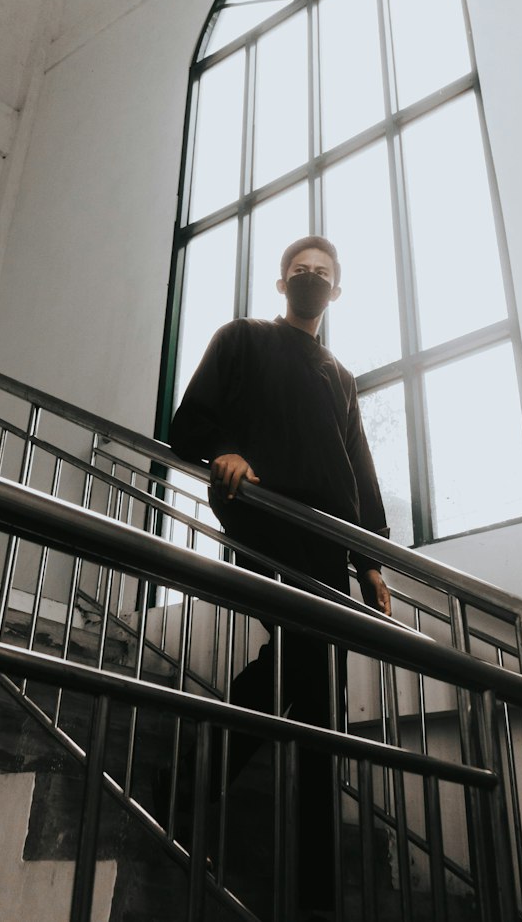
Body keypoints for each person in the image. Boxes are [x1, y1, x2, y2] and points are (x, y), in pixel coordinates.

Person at [168, 235, 391, 921]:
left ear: (337, 290)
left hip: (328, 541)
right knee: (306, 662)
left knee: (319, 686)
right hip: (263, 515)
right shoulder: (242, 338)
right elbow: (193, 420)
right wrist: (223, 450)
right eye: (301, 268)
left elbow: (357, 471)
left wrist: (371, 560)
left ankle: (307, 883)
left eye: (323, 272)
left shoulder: (340, 376)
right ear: (281, 280)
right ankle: (185, 790)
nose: (311, 276)